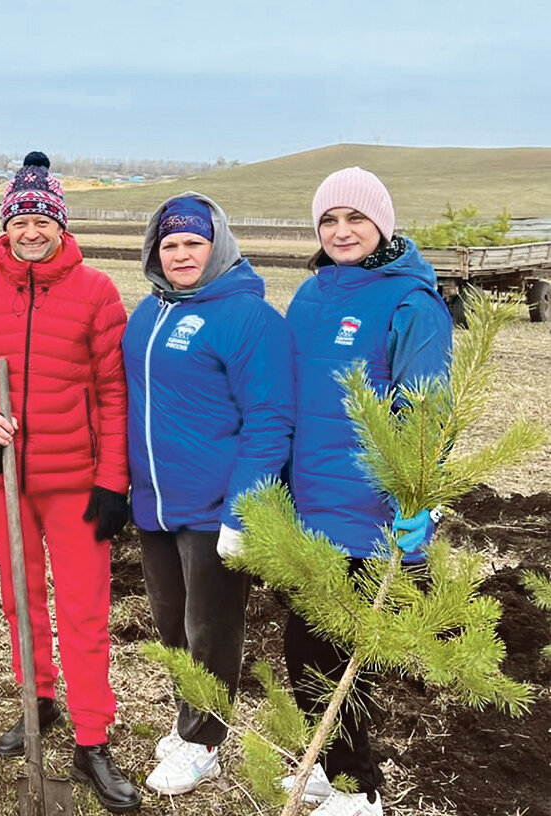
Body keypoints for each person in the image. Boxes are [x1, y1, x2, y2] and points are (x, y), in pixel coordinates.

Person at [0, 160, 139, 812]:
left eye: (41, 220)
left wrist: (113, 482)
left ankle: (91, 738)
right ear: (6, 224)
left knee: (83, 609)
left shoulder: (96, 292)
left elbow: (113, 394)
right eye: (20, 220)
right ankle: (37, 702)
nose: (30, 232)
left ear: (59, 224)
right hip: (4, 479)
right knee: (22, 602)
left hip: (76, 482)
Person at [283, 167, 452, 816]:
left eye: (355, 218)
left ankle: (360, 791)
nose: (341, 230)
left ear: (383, 224)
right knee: (303, 652)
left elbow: (427, 414)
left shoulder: (411, 304)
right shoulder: (311, 294)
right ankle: (328, 766)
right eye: (329, 220)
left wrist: (417, 500)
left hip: (371, 514)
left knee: (342, 663)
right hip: (308, 509)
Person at [122, 194, 294, 796]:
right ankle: (189, 716)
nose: (181, 254)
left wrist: (244, 508)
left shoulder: (248, 319)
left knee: (210, 628)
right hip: (156, 504)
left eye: (193, 242)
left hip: (213, 508)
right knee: (171, 622)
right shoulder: (148, 313)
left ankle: (205, 741)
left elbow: (270, 418)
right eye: (169, 244)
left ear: (217, 245)